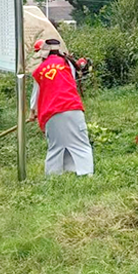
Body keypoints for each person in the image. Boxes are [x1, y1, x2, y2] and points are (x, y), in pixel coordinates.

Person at [30, 39, 95, 176]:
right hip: (72, 107)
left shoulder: (39, 70)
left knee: (56, 146)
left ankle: (53, 176)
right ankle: (86, 174)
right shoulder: (67, 63)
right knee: (80, 144)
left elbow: (36, 94)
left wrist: (32, 112)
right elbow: (71, 83)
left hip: (51, 112)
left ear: (43, 54)